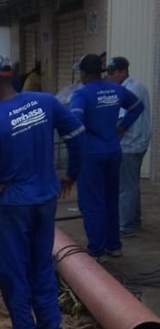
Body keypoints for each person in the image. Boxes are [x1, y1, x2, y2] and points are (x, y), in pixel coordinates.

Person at [0, 52, 86, 329]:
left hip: (13, 205)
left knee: (13, 269)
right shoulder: (45, 102)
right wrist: (70, 175)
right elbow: (77, 134)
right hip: (46, 199)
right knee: (42, 263)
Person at [69, 53, 143, 260]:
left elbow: (75, 122)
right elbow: (137, 107)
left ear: (84, 73)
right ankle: (114, 245)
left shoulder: (81, 95)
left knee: (92, 202)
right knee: (111, 198)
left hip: (91, 154)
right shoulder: (117, 89)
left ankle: (97, 249)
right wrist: (122, 127)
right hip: (113, 150)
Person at [106, 56, 152, 238]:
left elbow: (121, 119)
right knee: (131, 184)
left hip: (131, 143)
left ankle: (126, 225)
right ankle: (133, 220)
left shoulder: (133, 89)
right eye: (108, 73)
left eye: (112, 73)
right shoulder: (126, 87)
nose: (109, 76)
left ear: (123, 71)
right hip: (133, 142)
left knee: (126, 186)